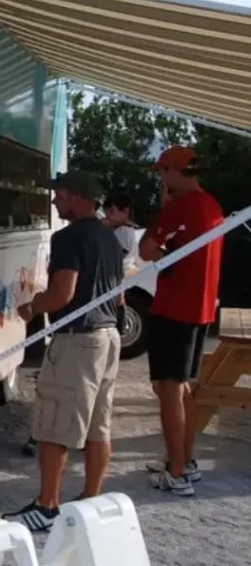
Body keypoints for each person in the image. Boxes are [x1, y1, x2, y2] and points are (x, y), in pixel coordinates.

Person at [3, 170, 123, 533]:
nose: (55, 200)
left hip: (78, 341)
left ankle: (47, 507)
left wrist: (32, 307)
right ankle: (89, 500)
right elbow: (116, 294)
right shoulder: (110, 239)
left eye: (60, 194)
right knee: (99, 426)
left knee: (54, 425)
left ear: (76, 197)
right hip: (108, 336)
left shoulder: (68, 238)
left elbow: (63, 295)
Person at [138, 145, 224, 497]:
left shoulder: (181, 208)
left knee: (168, 388)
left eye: (162, 173)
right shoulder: (212, 206)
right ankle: (185, 460)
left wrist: (164, 219)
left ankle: (176, 472)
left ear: (173, 172)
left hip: (174, 309)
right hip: (201, 309)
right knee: (183, 386)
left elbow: (145, 248)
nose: (161, 179)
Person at [103, 192, 139, 276]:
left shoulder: (123, 231)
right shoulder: (129, 230)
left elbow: (115, 258)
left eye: (112, 212)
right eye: (106, 213)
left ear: (125, 211)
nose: (107, 216)